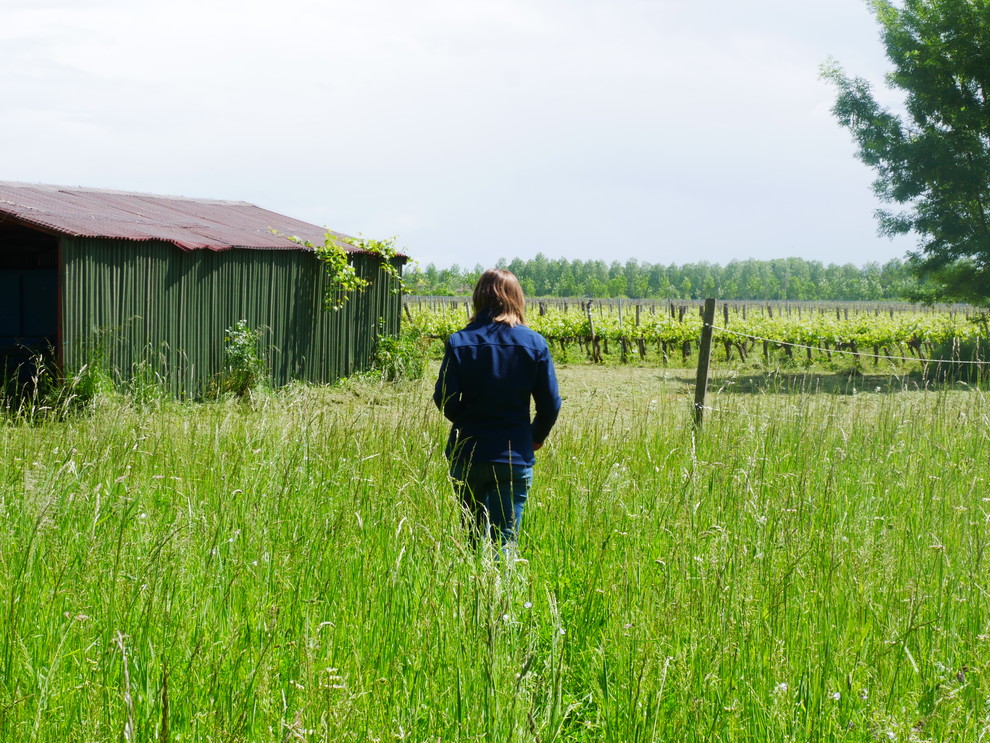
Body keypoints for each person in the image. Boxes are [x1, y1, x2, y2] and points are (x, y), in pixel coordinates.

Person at [434, 269, 562, 551]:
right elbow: (551, 403)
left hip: (468, 452)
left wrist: (467, 420)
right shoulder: (535, 343)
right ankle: (503, 581)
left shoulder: (459, 341)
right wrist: (535, 437)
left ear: (478, 297)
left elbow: (444, 398)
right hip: (514, 454)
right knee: (505, 541)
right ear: (517, 298)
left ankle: (471, 580)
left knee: (471, 538)